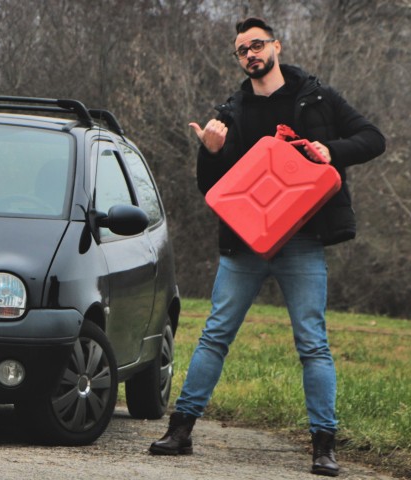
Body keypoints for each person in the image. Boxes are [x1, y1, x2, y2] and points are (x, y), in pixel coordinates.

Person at [148, 17, 386, 477]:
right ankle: (180, 431)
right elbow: (213, 187)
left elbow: (373, 139)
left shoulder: (317, 97)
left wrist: (329, 150)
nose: (251, 54)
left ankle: (323, 445)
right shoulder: (231, 110)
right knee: (215, 335)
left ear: (276, 46)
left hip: (302, 238)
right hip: (245, 242)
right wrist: (211, 151)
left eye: (257, 45)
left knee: (312, 344)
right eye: (242, 50)